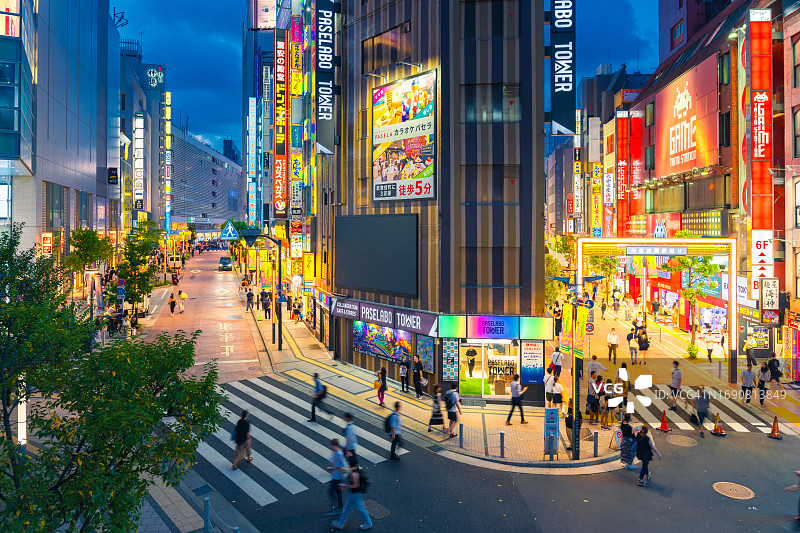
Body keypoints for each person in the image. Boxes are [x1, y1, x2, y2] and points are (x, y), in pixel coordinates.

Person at [330, 466, 372, 531]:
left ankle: (368, 523)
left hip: (356, 493)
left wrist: (345, 486)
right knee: (347, 508)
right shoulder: (354, 468)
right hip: (354, 493)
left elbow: (356, 485)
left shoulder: (354, 472)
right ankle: (340, 523)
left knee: (360, 508)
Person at [325, 439, 347, 514]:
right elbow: (333, 461)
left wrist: (333, 469)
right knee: (338, 491)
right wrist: (328, 465)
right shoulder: (334, 452)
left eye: (331, 445)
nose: (330, 447)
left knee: (331, 492)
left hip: (337, 477)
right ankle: (340, 506)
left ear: (335, 445)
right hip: (335, 476)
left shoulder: (339, 454)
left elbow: (341, 466)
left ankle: (336, 507)